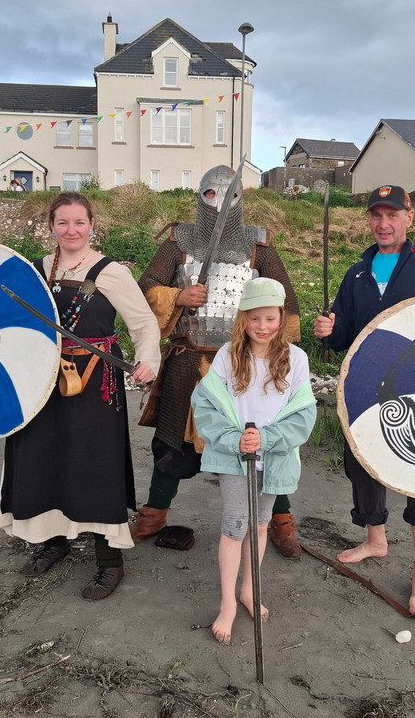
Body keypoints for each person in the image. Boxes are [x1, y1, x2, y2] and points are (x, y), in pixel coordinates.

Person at [133, 165, 305, 557]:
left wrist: (284, 361)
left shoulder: (260, 248)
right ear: (200, 197)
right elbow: (143, 289)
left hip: (248, 365)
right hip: (188, 360)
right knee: (172, 442)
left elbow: (284, 303)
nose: (219, 203)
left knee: (264, 446)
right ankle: (155, 514)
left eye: (228, 196)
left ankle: (278, 521)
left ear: (241, 200)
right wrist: (176, 297)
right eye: (211, 194)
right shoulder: (179, 243)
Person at [0, 191, 161, 601]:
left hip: (94, 382)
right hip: (42, 381)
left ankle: (109, 562)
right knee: (44, 459)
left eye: (79, 222)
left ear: (92, 226)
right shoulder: (35, 271)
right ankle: (54, 541)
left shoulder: (111, 271)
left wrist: (148, 361)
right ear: (51, 226)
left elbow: (143, 324)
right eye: (63, 222)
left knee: (94, 464)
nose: (71, 230)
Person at [313, 184, 415, 616]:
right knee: (362, 462)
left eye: (392, 215)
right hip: (367, 388)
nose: (383, 224)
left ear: (409, 217)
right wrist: (329, 331)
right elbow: (344, 338)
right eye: (376, 216)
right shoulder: (357, 274)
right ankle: (375, 539)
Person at [191, 277, 316, 644]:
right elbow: (207, 406)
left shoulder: (296, 359)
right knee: (234, 525)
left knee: (260, 526)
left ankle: (250, 590)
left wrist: (267, 438)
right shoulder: (228, 355)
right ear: (243, 318)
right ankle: (228, 602)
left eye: (270, 319)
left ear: (281, 318)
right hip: (235, 458)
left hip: (273, 457)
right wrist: (235, 440)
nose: (263, 327)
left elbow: (303, 414)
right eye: (255, 318)